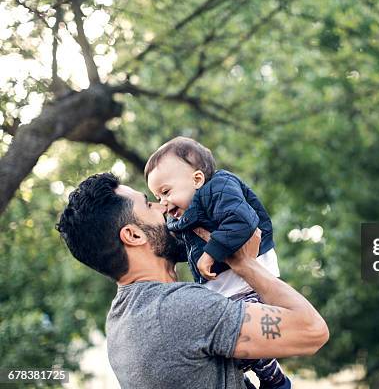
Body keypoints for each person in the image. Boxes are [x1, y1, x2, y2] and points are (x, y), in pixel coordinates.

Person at [56, 173, 329, 389]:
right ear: (134, 235)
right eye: (149, 204)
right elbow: (312, 331)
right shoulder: (179, 309)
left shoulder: (121, 322)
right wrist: (244, 263)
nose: (163, 206)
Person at [145, 136, 288, 387]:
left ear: (197, 179)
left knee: (247, 342)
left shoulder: (220, 187)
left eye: (166, 192)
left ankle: (275, 380)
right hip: (226, 289)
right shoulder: (186, 214)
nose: (163, 203)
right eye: (157, 197)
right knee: (224, 350)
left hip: (249, 284)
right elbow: (185, 248)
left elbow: (242, 220)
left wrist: (211, 253)